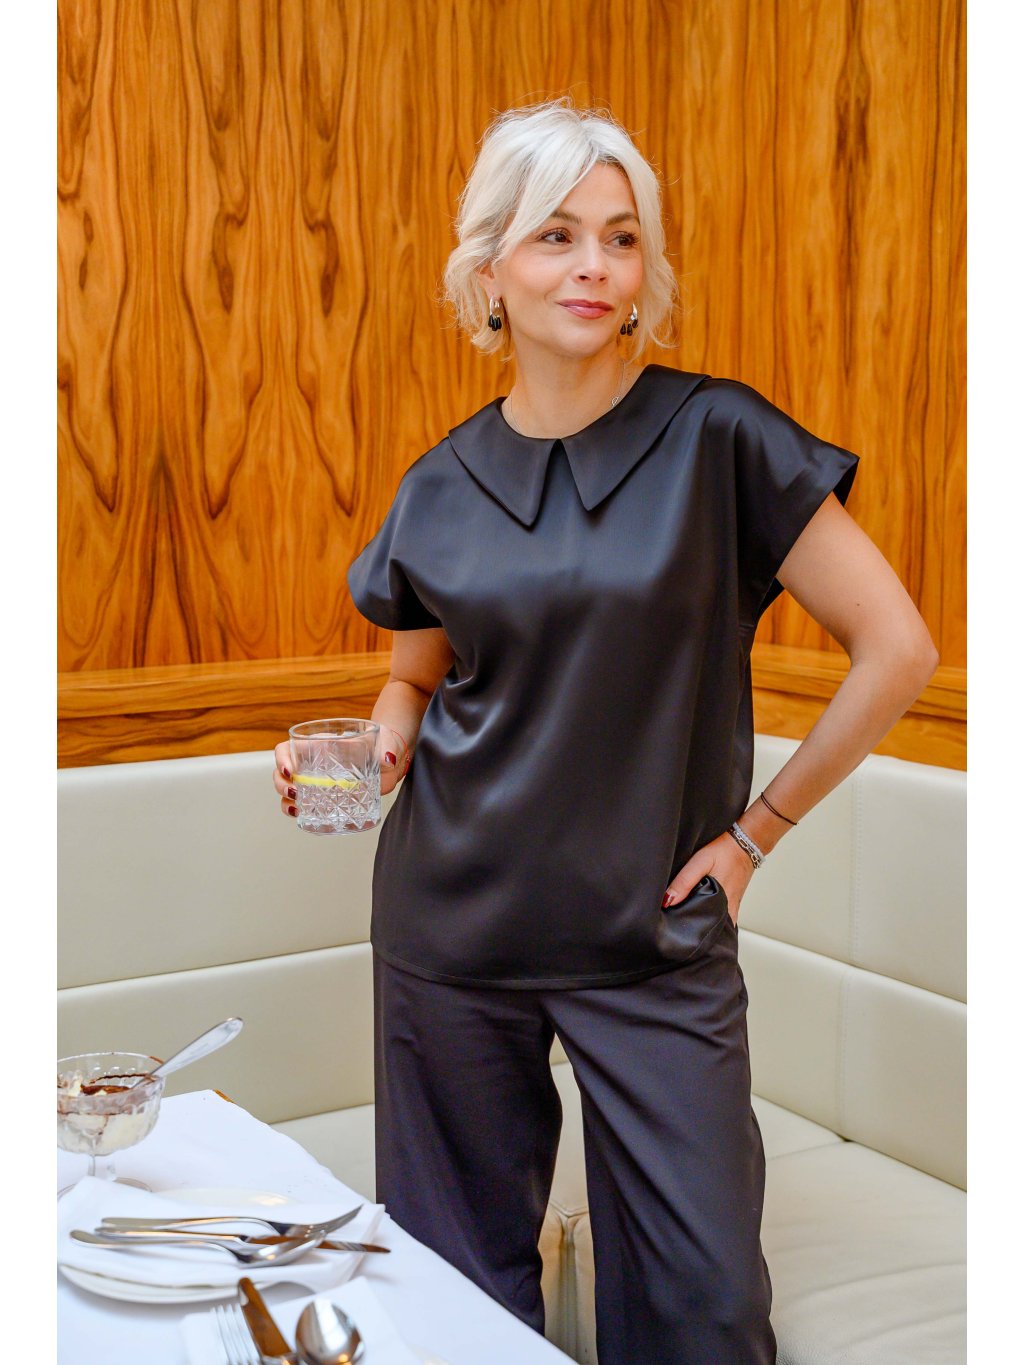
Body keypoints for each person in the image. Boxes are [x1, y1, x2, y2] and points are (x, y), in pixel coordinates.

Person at [273, 98, 938, 1364]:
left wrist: (754, 834)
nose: (593, 265)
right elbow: (413, 683)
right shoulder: (439, 480)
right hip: (450, 929)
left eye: (620, 238)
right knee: (453, 1301)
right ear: (490, 271)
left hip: (653, 936)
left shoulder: (721, 438)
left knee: (703, 1313)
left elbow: (899, 650)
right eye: (556, 235)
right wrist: (364, 754)